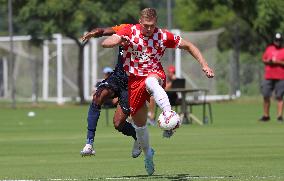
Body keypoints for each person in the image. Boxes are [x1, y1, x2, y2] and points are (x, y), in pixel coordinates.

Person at [102, 8, 214, 175]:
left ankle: (168, 114)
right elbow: (107, 42)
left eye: (152, 26)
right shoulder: (129, 31)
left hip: (155, 73)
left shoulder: (162, 35)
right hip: (134, 81)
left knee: (151, 81)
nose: (149, 29)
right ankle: (148, 155)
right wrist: (119, 41)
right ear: (140, 22)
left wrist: (204, 65)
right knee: (140, 126)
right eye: (146, 26)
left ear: (156, 24)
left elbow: (189, 45)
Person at [80, 25, 142, 159]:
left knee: (118, 124)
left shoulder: (148, 39)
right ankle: (89, 143)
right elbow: (104, 31)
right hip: (117, 77)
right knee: (98, 96)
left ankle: (138, 137)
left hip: (132, 84)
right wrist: (94, 32)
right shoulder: (126, 28)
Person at [260, 32, 284, 122]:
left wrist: (278, 62)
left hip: (281, 77)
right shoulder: (269, 49)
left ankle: (279, 116)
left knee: (279, 96)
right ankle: (266, 116)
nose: (277, 42)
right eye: (276, 40)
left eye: (279, 40)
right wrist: (268, 61)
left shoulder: (283, 50)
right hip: (269, 76)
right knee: (266, 95)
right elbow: (264, 59)